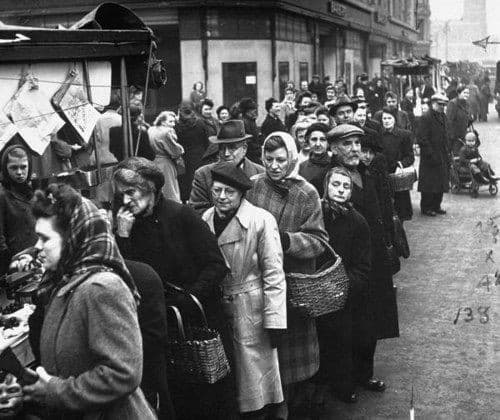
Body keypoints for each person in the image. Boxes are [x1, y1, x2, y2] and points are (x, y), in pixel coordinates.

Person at [112, 157, 237, 419]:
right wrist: (122, 238)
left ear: (151, 190)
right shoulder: (125, 224)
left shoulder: (181, 215)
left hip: (196, 321)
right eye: (121, 194)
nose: (125, 201)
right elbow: (124, 276)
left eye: (131, 193)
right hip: (159, 327)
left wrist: (189, 299)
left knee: (209, 400)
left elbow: (216, 265)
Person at [24, 183, 155, 419]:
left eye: (45, 238)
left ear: (74, 237)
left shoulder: (102, 288)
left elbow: (123, 374)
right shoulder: (64, 285)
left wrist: (54, 390)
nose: (37, 248)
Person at [246, 131, 328, 418]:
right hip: (257, 279)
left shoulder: (306, 193)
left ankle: (288, 407)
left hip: (291, 283)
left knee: (289, 356)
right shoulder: (253, 186)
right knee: (262, 352)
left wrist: (287, 240)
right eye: (268, 159)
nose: (274, 165)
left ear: (292, 158)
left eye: (281, 159)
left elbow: (319, 240)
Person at [202, 162, 287, 419]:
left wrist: (275, 321)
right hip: (220, 307)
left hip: (252, 308)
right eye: (217, 190)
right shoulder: (206, 219)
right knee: (229, 382)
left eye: (229, 191)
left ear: (241, 194)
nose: (222, 197)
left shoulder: (261, 220)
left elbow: (274, 273)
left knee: (258, 383)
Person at [328, 124, 398, 394]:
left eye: (358, 143)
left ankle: (364, 373)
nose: (355, 149)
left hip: (374, 260)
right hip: (348, 262)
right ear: (334, 149)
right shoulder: (333, 178)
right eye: (348, 144)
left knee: (370, 319)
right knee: (346, 324)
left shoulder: (366, 173)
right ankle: (343, 383)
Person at [315, 167, 371, 407]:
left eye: (345, 187)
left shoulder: (358, 222)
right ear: (326, 187)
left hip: (342, 291)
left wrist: (344, 285)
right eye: (335, 185)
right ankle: (318, 383)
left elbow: (363, 264)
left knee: (342, 340)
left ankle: (343, 385)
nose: (340, 190)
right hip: (314, 287)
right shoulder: (316, 215)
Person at [189, 120, 264, 214]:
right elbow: (196, 211)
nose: (226, 153)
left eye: (232, 148)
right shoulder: (203, 174)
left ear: (244, 149)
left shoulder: (260, 173)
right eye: (221, 148)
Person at [0, 145, 38, 276]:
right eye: (14, 168)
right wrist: (11, 263)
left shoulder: (31, 193)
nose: (19, 172)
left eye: (23, 167)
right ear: (5, 169)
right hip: (17, 266)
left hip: (37, 260)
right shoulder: (3, 195)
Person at [418, 93, 451, 217]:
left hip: (442, 154)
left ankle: (437, 205)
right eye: (440, 104)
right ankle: (427, 207)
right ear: (433, 104)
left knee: (441, 181)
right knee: (429, 183)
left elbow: (446, 133)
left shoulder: (443, 116)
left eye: (444, 105)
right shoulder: (426, 117)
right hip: (430, 156)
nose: (442, 107)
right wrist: (430, 154)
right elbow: (422, 138)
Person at [379, 107, 415, 221]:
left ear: (395, 119)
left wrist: (401, 164)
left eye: (389, 118)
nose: (386, 121)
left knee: (400, 211)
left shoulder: (404, 135)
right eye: (384, 118)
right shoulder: (378, 135)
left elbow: (410, 157)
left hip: (398, 177)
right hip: (383, 176)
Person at [175, 101, 210, 202]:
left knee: (184, 180)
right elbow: (206, 140)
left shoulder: (176, 125)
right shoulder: (200, 122)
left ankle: (186, 200)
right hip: (199, 156)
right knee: (197, 178)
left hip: (183, 157)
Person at [148, 110, 184, 202]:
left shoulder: (151, 129)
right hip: (166, 162)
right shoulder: (167, 132)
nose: (173, 124)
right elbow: (175, 151)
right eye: (170, 121)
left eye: (174, 121)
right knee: (170, 188)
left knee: (158, 187)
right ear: (163, 121)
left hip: (153, 161)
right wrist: (180, 150)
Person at [299, 123, 331, 196]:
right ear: (308, 141)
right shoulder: (301, 168)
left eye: (322, 139)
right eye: (314, 139)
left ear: (328, 143)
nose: (318, 144)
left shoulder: (334, 166)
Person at [446, 86, 473, 155]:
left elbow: (468, 119)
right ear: (459, 93)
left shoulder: (467, 104)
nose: (467, 95)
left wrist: (471, 118)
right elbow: (449, 121)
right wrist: (452, 137)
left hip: (464, 135)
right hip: (455, 137)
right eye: (464, 93)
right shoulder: (452, 104)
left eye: (468, 93)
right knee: (456, 157)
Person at [239, 97, 262, 164]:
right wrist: (259, 149)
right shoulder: (244, 122)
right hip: (250, 156)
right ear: (246, 111)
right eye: (252, 109)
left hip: (254, 154)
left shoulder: (251, 121)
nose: (255, 111)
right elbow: (248, 142)